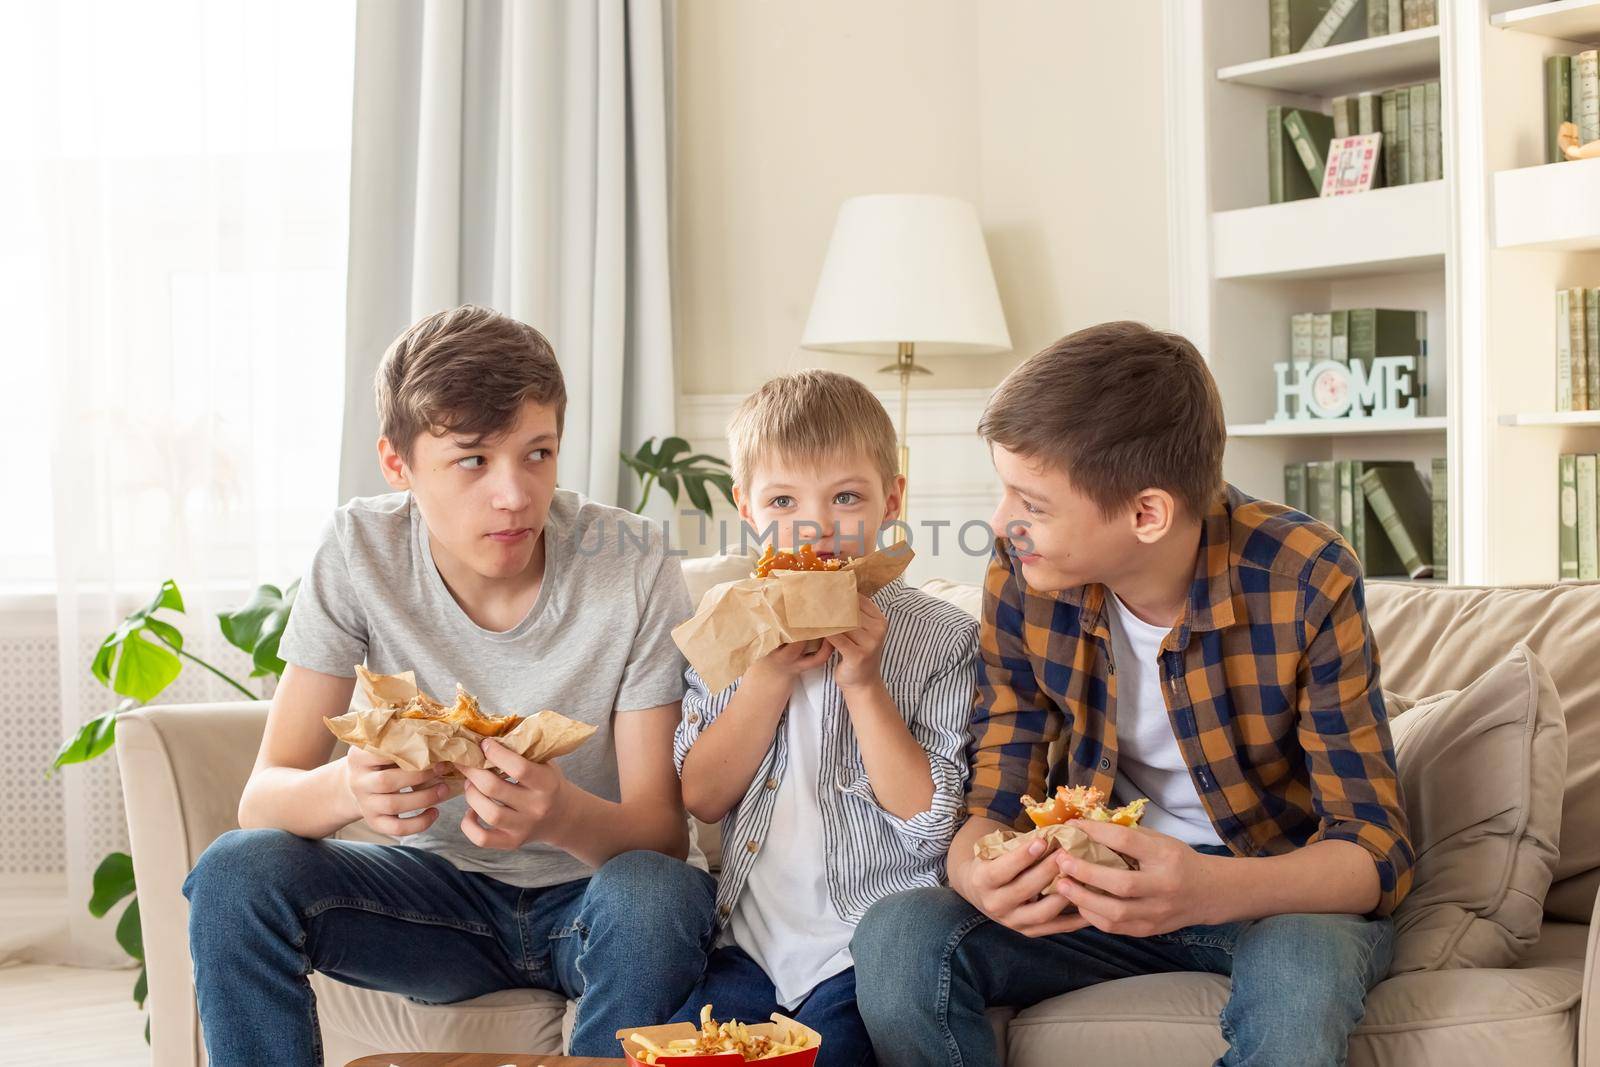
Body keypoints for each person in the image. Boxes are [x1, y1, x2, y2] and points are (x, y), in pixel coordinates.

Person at [853, 321, 1414, 1067]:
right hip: (1087, 894)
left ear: (1147, 513)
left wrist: (1207, 887)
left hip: (1268, 893)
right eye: (1003, 491)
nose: (1000, 523)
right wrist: (971, 869)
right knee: (898, 936)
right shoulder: (1022, 570)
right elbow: (998, 775)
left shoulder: (1305, 576)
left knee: (1296, 983)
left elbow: (1374, 848)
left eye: (1032, 502)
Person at [183, 305, 714, 1065]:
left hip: (594, 902)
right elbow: (262, 799)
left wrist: (560, 812)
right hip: (428, 900)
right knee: (236, 873)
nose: (515, 494)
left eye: (538, 453)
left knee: (662, 895)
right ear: (398, 465)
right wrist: (350, 790)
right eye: (473, 460)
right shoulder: (360, 548)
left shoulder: (631, 560)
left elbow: (662, 836)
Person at [671, 370, 979, 1067]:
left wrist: (866, 685)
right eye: (784, 499)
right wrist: (768, 674)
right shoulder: (728, 627)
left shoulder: (942, 638)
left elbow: (931, 823)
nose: (816, 527)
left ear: (891, 499)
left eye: (845, 497)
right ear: (745, 506)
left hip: (860, 951)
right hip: (747, 950)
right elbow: (702, 795)